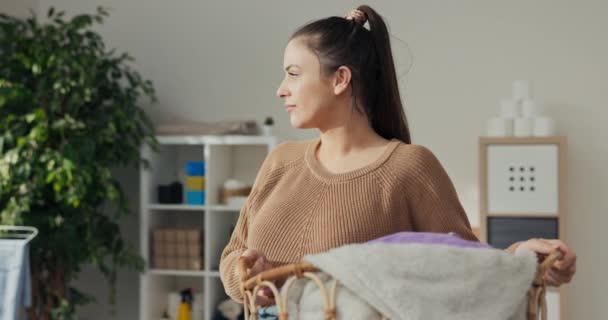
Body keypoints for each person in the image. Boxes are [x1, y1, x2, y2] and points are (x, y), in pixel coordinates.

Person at [219, 5, 576, 308]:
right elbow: (231, 258)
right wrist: (246, 272)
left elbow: (470, 269)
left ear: (340, 79)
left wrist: (525, 258)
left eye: (293, 75)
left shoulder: (408, 167)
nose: (281, 90)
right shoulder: (280, 161)